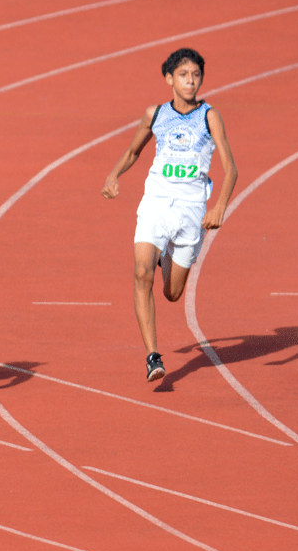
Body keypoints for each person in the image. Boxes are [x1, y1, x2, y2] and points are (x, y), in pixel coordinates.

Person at [101, 48, 238, 382]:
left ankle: (168, 261)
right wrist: (113, 176)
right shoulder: (156, 114)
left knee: (173, 294)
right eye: (183, 75)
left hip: (192, 209)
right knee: (140, 272)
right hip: (157, 202)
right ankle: (152, 355)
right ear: (169, 79)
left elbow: (230, 168)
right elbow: (134, 150)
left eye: (196, 75)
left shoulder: (210, 116)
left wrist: (219, 206)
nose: (190, 81)